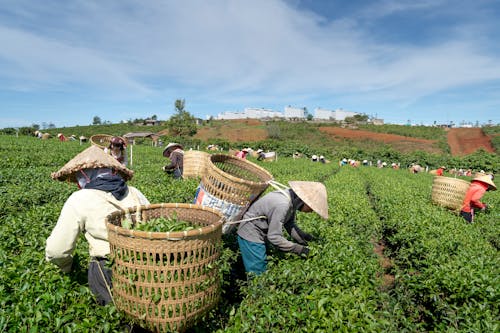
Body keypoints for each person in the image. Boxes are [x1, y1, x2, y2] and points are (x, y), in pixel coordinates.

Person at [45, 145, 150, 305]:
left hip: (107, 269)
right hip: (146, 264)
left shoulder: (80, 198)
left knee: (114, 318)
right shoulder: (135, 192)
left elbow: (56, 250)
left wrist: (68, 267)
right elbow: (155, 226)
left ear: (84, 175)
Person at [237, 181, 328, 275]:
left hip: (262, 230)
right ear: (306, 202)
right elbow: (274, 237)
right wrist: (298, 249)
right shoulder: (283, 204)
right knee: (258, 273)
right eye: (312, 208)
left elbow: (289, 223)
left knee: (265, 262)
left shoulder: (292, 199)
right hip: (251, 233)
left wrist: (303, 238)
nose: (311, 211)